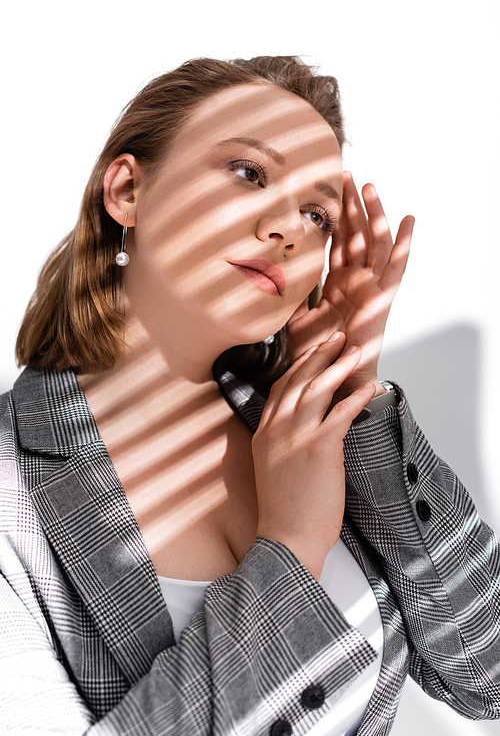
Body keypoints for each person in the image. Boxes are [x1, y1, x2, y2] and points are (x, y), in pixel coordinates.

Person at [1, 56, 498, 736]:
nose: (289, 228)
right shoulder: (13, 491)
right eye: (249, 172)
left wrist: (350, 391)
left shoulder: (305, 425)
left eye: (317, 213)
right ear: (126, 190)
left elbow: (488, 676)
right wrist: (289, 548)